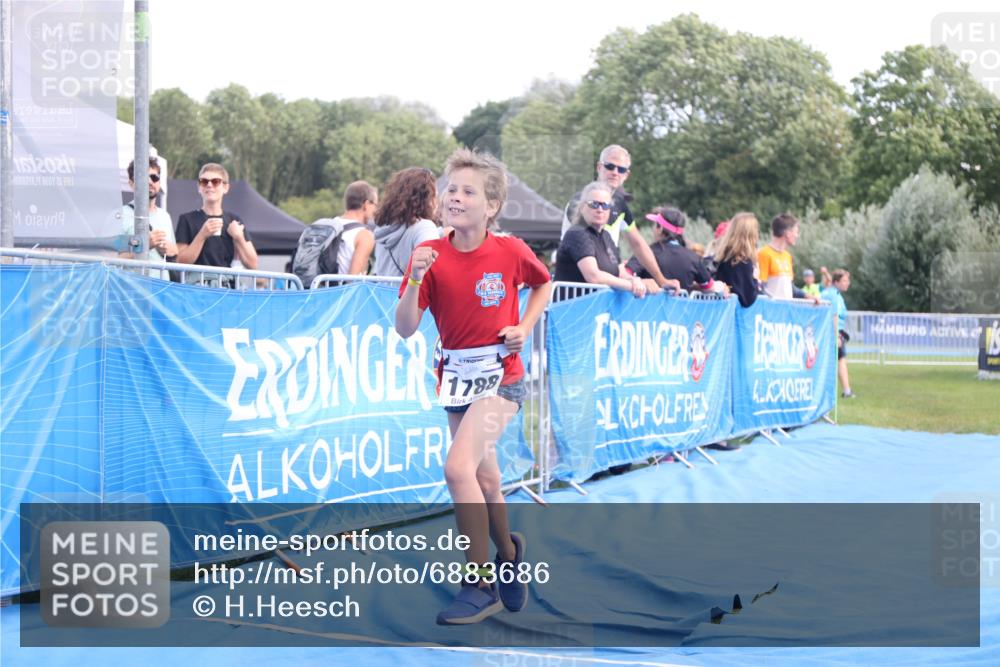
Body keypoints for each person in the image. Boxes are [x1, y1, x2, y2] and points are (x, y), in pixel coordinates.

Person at [395, 149, 552, 625]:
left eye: (468, 191)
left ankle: (480, 583)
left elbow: (544, 283)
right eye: (451, 189)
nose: (455, 197)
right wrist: (414, 279)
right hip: (456, 381)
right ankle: (508, 552)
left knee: (457, 469)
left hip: (503, 379)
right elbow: (404, 327)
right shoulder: (430, 256)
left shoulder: (510, 250)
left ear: (492, 207)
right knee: (485, 480)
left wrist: (524, 325)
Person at [561, 145, 673, 289]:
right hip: (578, 286)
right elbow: (593, 272)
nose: (615, 172)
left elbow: (638, 244)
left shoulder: (620, 204)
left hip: (606, 287)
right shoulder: (580, 202)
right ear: (599, 167)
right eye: (610, 166)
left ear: (626, 175)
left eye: (621, 169)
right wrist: (633, 284)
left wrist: (661, 280)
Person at [554, 181, 653, 297]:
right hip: (572, 310)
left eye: (605, 205)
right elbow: (593, 276)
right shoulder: (577, 233)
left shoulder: (606, 236)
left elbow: (618, 271)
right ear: (582, 207)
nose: (600, 209)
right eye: (594, 204)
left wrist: (635, 280)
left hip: (598, 310)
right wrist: (631, 286)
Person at [175, 163, 258, 283]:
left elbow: (253, 264)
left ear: (225, 187)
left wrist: (239, 238)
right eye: (204, 181)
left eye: (215, 181)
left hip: (224, 287)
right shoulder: (187, 219)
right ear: (199, 187)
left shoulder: (234, 220)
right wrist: (202, 235)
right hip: (196, 287)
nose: (209, 185)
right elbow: (180, 261)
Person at [625, 206, 719, 294]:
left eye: (655, 225)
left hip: (648, 310)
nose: (653, 229)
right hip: (680, 311)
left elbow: (625, 275)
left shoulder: (645, 253)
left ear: (660, 229)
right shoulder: (693, 258)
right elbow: (709, 287)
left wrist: (640, 282)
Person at [373, 168, 441, 277]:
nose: (437, 202)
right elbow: (433, 271)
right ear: (426, 199)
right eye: (434, 196)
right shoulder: (425, 228)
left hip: (382, 293)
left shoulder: (383, 229)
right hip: (409, 293)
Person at [119, 157, 176, 279]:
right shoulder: (119, 215)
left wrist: (166, 248)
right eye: (144, 178)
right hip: (131, 291)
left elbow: (175, 251)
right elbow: (109, 259)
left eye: (154, 178)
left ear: (159, 182)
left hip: (162, 290)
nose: (150, 182)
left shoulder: (165, 216)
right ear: (131, 184)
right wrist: (144, 246)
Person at [713, 212, 761, 308]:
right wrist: (755, 279)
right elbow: (747, 299)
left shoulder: (724, 257)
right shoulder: (743, 262)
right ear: (750, 234)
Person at [822, 269, 854, 398]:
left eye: (848, 280)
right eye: (844, 280)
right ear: (836, 282)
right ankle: (846, 391)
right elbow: (833, 315)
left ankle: (844, 390)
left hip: (833, 331)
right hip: (832, 331)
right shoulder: (833, 295)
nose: (848, 283)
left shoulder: (834, 293)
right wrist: (836, 336)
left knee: (838, 360)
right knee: (840, 360)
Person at [758, 213, 800, 300]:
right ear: (788, 233)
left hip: (785, 310)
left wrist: (808, 296)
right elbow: (760, 287)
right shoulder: (764, 253)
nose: (797, 236)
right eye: (796, 232)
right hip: (771, 310)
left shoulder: (787, 256)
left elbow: (789, 287)